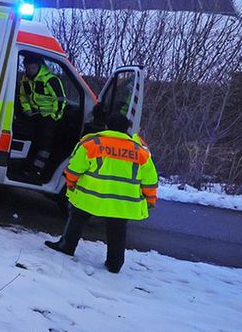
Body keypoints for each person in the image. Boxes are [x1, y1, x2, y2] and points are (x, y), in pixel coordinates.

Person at [45, 116, 158, 273]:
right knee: (117, 230)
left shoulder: (92, 143)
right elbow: (150, 180)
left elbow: (74, 169)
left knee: (77, 218)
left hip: (91, 196)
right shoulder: (140, 151)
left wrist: (71, 185)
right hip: (122, 202)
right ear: (127, 130)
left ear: (106, 125)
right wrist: (150, 200)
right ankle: (115, 264)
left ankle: (66, 246)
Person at [16, 54, 67, 179]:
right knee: (34, 141)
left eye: (32, 68)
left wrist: (55, 116)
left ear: (39, 66)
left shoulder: (50, 79)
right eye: (27, 68)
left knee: (45, 145)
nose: (30, 71)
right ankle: (26, 166)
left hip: (49, 117)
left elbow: (60, 100)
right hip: (34, 115)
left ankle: (36, 170)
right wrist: (27, 109)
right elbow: (23, 96)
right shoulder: (25, 80)